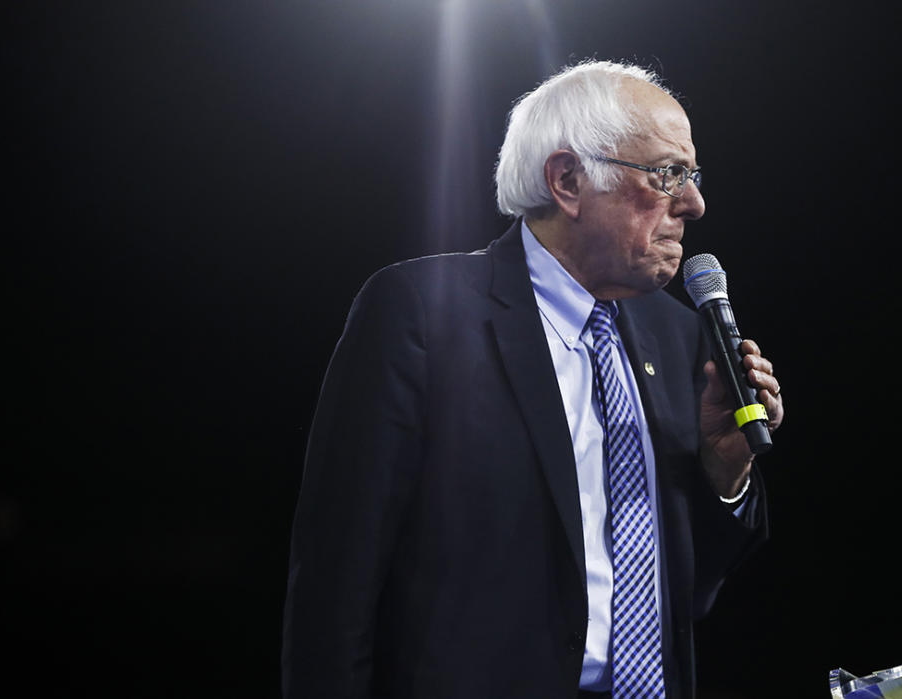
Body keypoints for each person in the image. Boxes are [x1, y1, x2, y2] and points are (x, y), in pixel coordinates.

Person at [281, 60, 784, 699]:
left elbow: (692, 595)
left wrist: (724, 473)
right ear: (568, 179)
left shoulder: (679, 336)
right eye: (667, 174)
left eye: (691, 175)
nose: (694, 202)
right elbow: (336, 584)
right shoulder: (421, 314)